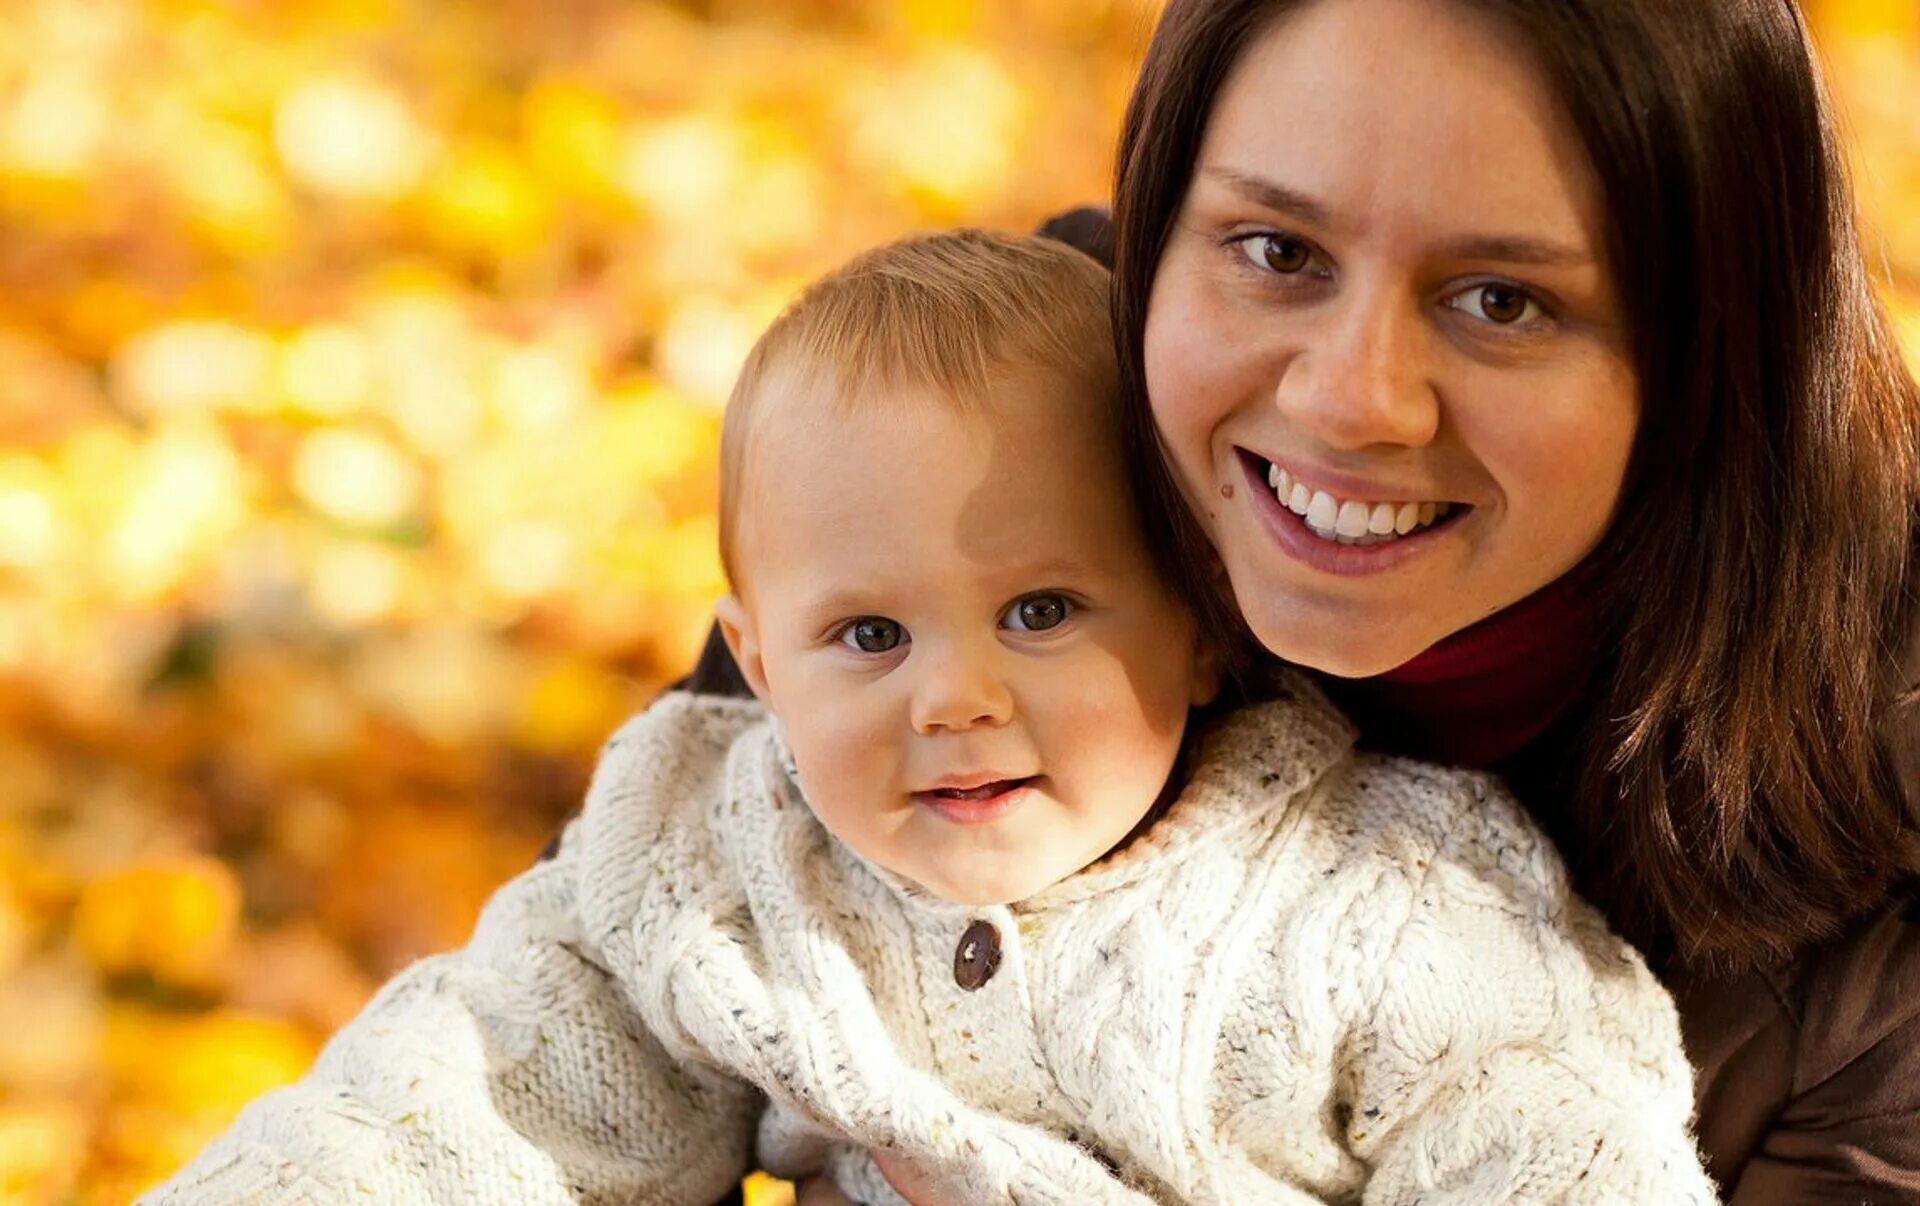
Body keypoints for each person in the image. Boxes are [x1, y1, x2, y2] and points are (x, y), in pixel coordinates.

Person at [142, 230, 1716, 1204]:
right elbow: (469, 1093)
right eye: (869, 634)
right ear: (757, 664)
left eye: (1042, 611)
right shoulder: (718, 860)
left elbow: (1558, 1146)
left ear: (1200, 628)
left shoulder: (1382, 902)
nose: (955, 695)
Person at [769, 0, 1920, 1201]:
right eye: (1276, 251)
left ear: (1711, 352)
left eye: (1502, 301)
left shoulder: (1887, 885)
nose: (1349, 401)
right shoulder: (965, 435)